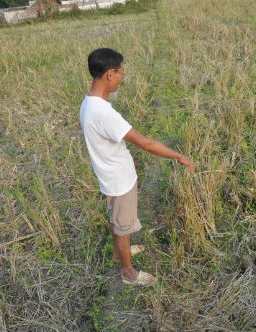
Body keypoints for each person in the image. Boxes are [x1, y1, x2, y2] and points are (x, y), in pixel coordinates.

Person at [80, 48, 194, 286]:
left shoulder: (88, 103)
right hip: (119, 181)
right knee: (123, 225)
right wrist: (178, 156)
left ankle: (118, 252)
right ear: (110, 74)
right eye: (121, 72)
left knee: (117, 220)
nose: (122, 77)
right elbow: (146, 143)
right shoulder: (103, 114)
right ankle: (128, 273)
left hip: (109, 175)